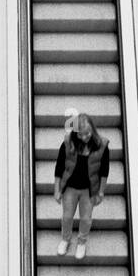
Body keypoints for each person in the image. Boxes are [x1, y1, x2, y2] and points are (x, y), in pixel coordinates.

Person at [52, 112, 110, 261]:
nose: (84, 137)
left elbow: (104, 171)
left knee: (86, 219)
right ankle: (66, 239)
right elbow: (59, 167)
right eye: (81, 135)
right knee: (66, 217)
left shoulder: (101, 146)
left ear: (93, 130)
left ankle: (81, 242)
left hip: (89, 190)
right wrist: (57, 189)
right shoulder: (67, 143)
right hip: (70, 187)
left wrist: (101, 192)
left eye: (88, 133)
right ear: (75, 133)